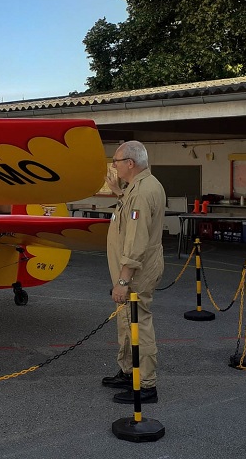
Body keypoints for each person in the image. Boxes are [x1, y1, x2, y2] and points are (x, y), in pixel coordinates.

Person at [102, 140, 165, 404]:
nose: (113, 166)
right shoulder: (140, 187)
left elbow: (136, 242)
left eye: (116, 161)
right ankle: (129, 371)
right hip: (135, 270)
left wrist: (122, 280)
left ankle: (146, 384)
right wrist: (119, 192)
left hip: (135, 272)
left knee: (139, 324)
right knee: (127, 322)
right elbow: (130, 213)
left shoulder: (140, 192)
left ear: (130, 163)